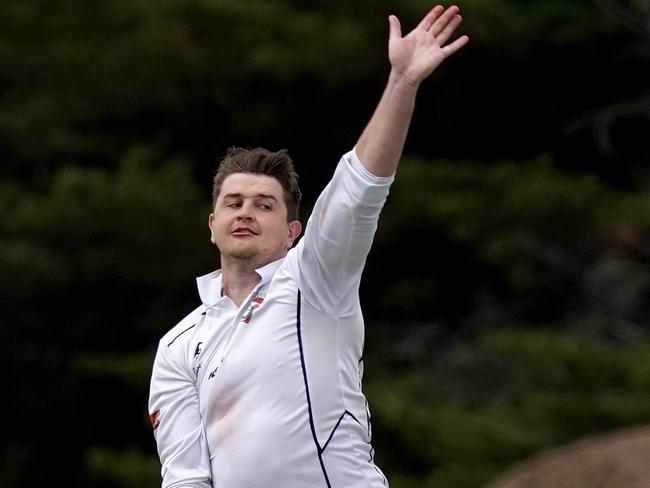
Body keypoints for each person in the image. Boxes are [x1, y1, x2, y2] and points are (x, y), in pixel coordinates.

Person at [148, 5, 468, 488]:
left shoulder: (315, 281)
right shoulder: (177, 345)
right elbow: (185, 475)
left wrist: (401, 84)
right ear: (212, 225)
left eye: (264, 205)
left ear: (292, 233)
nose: (246, 212)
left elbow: (356, 194)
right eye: (233, 203)